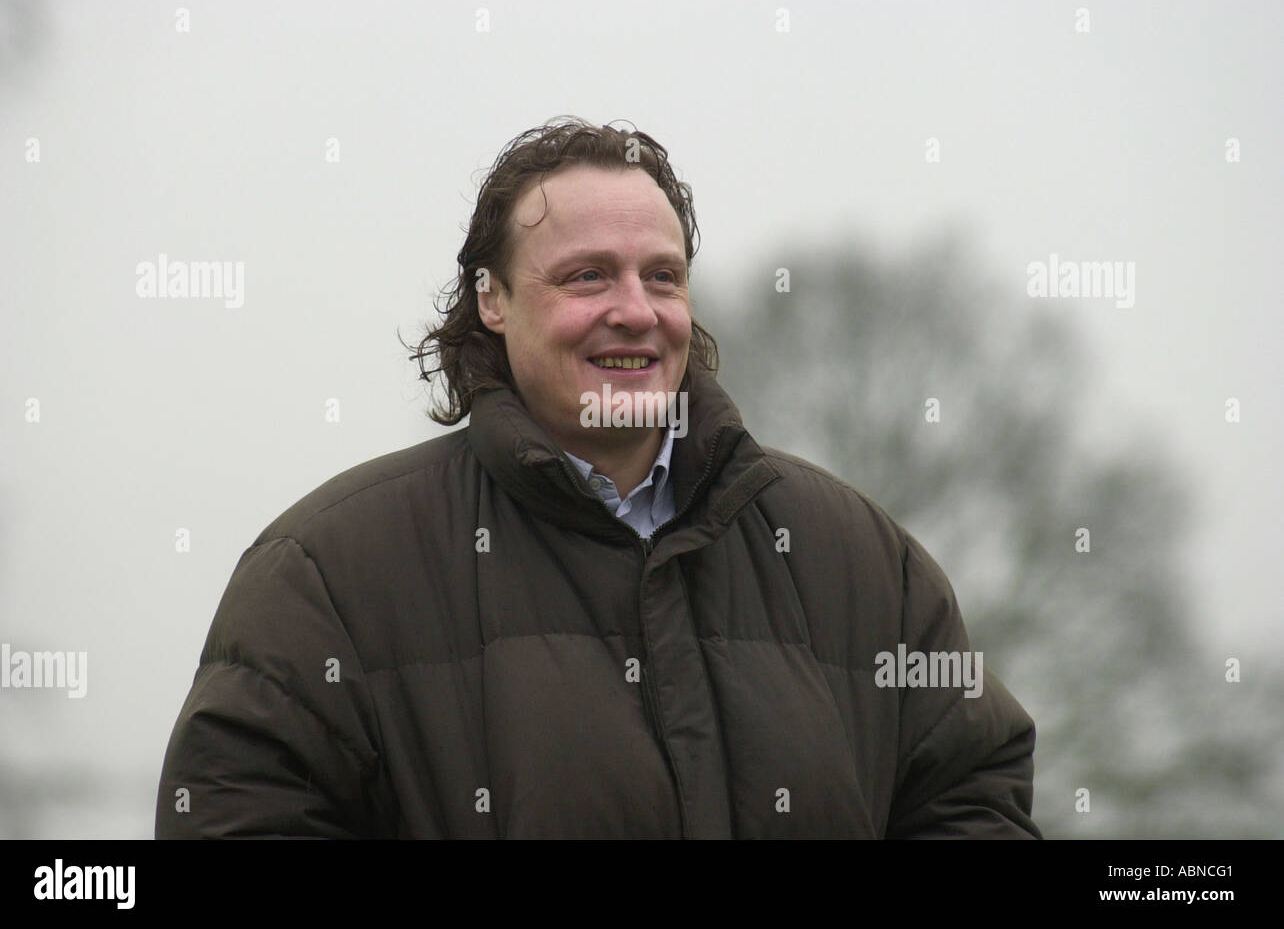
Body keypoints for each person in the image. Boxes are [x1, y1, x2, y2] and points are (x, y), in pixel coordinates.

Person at [155, 117, 1042, 839]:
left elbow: (972, 795)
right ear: (491, 300)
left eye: (663, 276)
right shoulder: (327, 573)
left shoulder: (859, 558)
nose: (634, 309)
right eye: (587, 277)